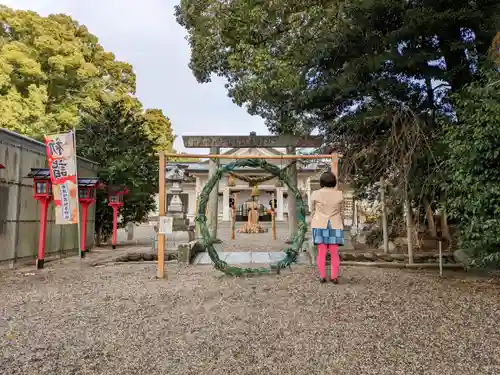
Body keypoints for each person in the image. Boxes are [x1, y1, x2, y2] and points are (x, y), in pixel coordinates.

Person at [310, 171, 344, 284]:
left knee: (321, 252)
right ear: (334, 182)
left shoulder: (315, 194)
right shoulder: (339, 194)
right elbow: (341, 211)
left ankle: (322, 276)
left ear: (321, 182)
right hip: (335, 224)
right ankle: (334, 276)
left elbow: (312, 210)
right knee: (334, 252)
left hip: (320, 224)